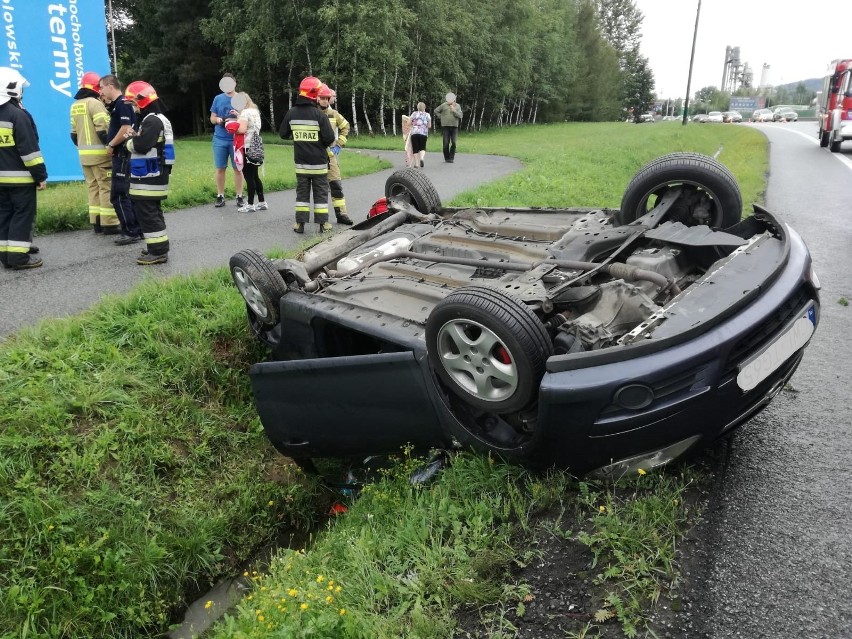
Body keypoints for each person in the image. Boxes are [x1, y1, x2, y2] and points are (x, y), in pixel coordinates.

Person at [122, 81, 174, 266]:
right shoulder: (158, 119)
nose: (134, 108)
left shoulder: (151, 120)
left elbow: (141, 146)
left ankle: (158, 252)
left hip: (148, 176)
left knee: (148, 214)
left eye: (134, 103)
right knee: (152, 212)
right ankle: (157, 247)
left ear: (142, 101)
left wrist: (129, 140)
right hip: (154, 174)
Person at [0, 67, 47, 270]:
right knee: (22, 215)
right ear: (13, 88)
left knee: (4, 216)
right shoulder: (17, 115)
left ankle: (6, 255)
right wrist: (40, 176)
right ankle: (19, 258)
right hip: (20, 179)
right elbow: (30, 153)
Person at [279, 76, 335, 234]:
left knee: (302, 195)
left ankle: (300, 224)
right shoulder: (319, 115)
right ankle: (323, 224)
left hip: (301, 164)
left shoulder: (292, 113)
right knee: (321, 194)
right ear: (313, 95)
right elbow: (330, 138)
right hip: (319, 165)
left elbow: (283, 134)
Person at [70, 71, 120, 234]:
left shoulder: (75, 105)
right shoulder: (95, 103)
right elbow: (103, 129)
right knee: (106, 187)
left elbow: (73, 134)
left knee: (93, 188)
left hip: (84, 157)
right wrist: (112, 146)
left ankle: (96, 222)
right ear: (95, 88)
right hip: (101, 156)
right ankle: (110, 223)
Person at [98, 74, 143, 245]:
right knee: (125, 194)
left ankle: (131, 231)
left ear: (110, 85)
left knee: (119, 194)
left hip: (122, 155)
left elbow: (126, 128)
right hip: (124, 155)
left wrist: (111, 145)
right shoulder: (119, 105)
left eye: (102, 87)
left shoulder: (122, 104)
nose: (101, 92)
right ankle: (136, 229)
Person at [317, 84, 353, 225]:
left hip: (330, 155)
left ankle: (342, 215)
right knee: (319, 188)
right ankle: (321, 218)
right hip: (316, 156)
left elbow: (346, 126)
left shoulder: (333, 114)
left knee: (336, 185)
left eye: (327, 98)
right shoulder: (312, 113)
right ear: (317, 99)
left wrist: (339, 144)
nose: (325, 101)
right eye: (322, 98)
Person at [209, 74, 245, 209]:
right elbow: (212, 118)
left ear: (235, 83)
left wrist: (237, 119)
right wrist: (217, 120)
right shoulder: (218, 98)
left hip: (236, 140)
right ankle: (220, 196)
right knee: (220, 168)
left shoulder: (240, 99)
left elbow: (246, 118)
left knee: (238, 169)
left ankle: (239, 196)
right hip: (219, 139)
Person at [233, 92, 267, 212]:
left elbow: (241, 129)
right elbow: (249, 125)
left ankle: (250, 204)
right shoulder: (254, 111)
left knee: (248, 176)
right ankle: (262, 202)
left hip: (246, 146)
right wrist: (239, 116)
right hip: (256, 146)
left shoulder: (245, 113)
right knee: (255, 175)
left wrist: (231, 128)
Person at [434, 92, 463, 163]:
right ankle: (447, 158)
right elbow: (436, 111)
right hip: (445, 126)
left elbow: (460, 116)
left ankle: (451, 157)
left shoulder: (457, 106)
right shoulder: (443, 105)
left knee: (454, 142)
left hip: (454, 126)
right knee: (446, 143)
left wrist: (454, 110)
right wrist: (441, 117)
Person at [409, 102, 431, 168]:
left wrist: (412, 124)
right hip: (423, 133)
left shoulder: (414, 114)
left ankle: (416, 164)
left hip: (414, 133)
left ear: (417, 107)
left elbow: (408, 123)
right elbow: (429, 126)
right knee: (422, 147)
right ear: (425, 107)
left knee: (415, 149)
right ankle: (421, 158)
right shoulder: (427, 115)